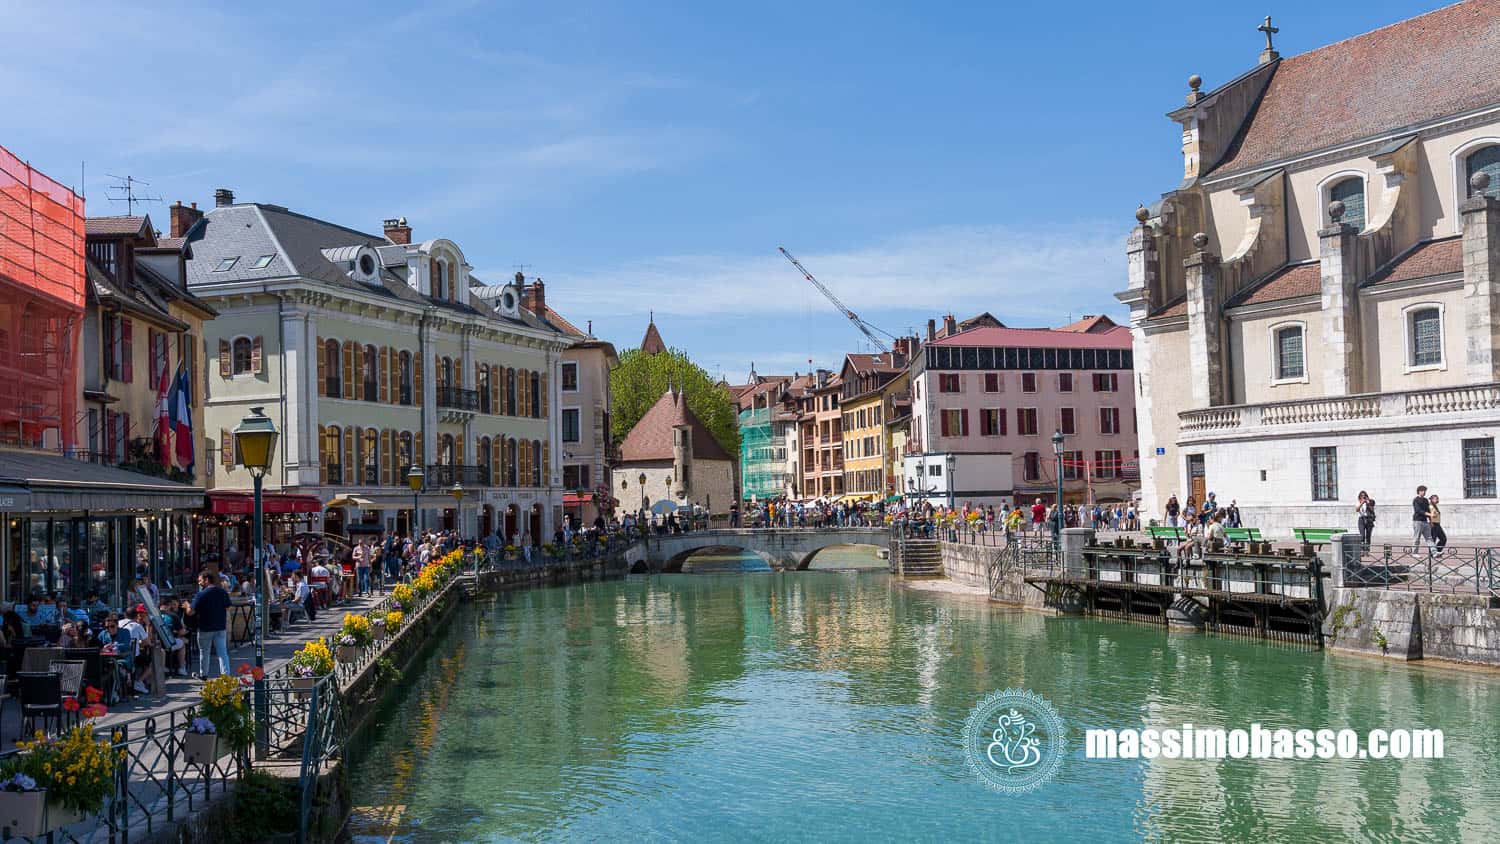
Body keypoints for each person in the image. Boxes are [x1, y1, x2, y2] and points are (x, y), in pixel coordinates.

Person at [186, 571, 232, 679]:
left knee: (204, 652)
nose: (199, 582)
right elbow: (228, 607)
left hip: (205, 627)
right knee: (222, 652)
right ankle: (226, 675)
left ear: (206, 580)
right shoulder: (222, 592)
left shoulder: (201, 594)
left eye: (200, 580)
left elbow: (190, 612)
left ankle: (204, 674)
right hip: (220, 626)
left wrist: (187, 605)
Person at [1411, 485, 1432, 551]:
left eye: (1425, 491)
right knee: (1417, 537)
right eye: (1422, 491)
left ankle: (1434, 552)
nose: (1424, 492)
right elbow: (1418, 510)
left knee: (1429, 538)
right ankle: (1415, 552)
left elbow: (1428, 510)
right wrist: (1428, 514)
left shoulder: (1426, 500)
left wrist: (1430, 521)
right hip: (1417, 521)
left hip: (1425, 521)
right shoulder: (1416, 500)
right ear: (1419, 492)